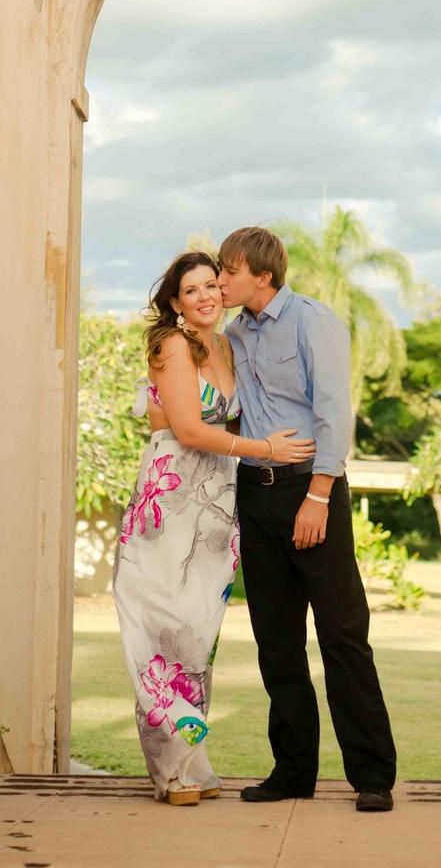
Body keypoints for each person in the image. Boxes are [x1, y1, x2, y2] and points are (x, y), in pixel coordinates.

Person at [112, 249, 314, 805]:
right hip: (172, 495)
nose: (204, 296)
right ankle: (170, 772)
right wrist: (264, 449)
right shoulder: (171, 344)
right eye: (191, 290)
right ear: (175, 303)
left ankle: (192, 764)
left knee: (198, 635)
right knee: (165, 628)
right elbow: (189, 429)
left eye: (210, 285)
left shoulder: (228, 346)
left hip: (219, 502)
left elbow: (213, 414)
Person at [218, 226, 397, 813]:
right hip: (257, 493)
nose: (221, 280)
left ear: (262, 275)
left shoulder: (312, 321)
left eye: (230, 270)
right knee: (277, 640)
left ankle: (372, 778)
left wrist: (319, 493)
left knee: (342, 633)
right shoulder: (234, 333)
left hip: (311, 490)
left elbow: (334, 409)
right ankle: (292, 772)